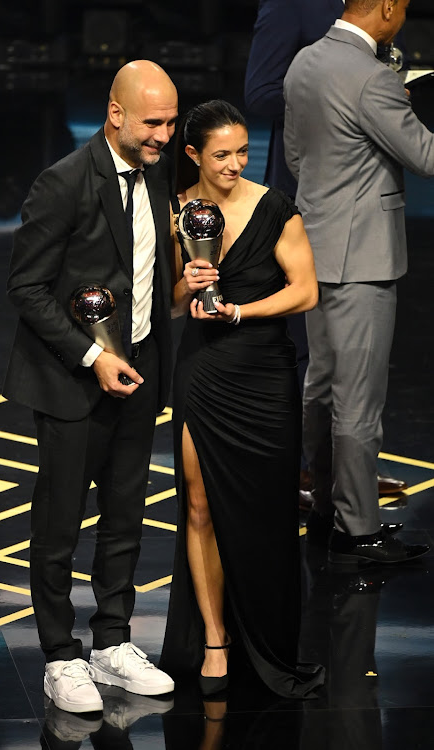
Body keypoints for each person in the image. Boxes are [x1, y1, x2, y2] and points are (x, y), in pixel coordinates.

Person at [3, 60, 178, 713]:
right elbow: (25, 287)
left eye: (170, 121)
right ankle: (59, 655)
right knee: (60, 523)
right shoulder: (65, 183)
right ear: (116, 115)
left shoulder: (161, 178)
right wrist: (88, 356)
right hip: (71, 379)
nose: (165, 134)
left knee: (127, 518)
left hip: (139, 373)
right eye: (153, 122)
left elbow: (149, 271)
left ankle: (111, 642)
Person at [159, 99, 324, 698]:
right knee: (198, 505)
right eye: (221, 154)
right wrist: (188, 285)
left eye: (242, 153)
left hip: (264, 372)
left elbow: (305, 293)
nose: (234, 164)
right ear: (194, 155)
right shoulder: (176, 211)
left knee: (267, 511)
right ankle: (213, 638)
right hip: (203, 371)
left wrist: (239, 310)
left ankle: (269, 636)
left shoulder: (275, 207)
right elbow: (174, 306)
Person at [283, 0, 434, 565]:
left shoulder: (304, 62)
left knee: (322, 385)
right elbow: (424, 155)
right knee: (359, 401)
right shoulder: (373, 80)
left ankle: (325, 506)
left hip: (316, 248)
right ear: (389, 8)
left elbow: (296, 157)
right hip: (364, 258)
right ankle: (359, 528)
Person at [244, 0, 409, 506]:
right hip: (314, 202)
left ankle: (341, 481)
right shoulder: (292, 4)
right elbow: (261, 92)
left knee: (338, 364)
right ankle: (315, 485)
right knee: (311, 355)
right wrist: (351, 95)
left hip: (345, 204)